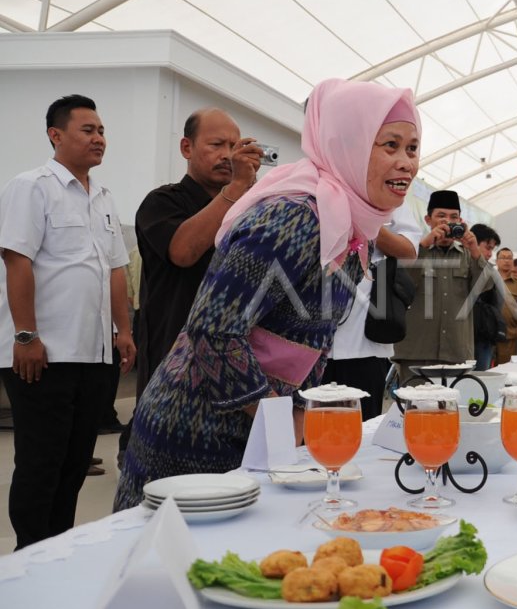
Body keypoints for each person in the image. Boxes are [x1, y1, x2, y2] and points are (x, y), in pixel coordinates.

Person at [114, 79, 421, 510]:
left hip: (256, 436)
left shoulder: (348, 227)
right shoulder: (293, 217)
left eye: (412, 148)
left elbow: (310, 342)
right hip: (195, 433)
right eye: (390, 145)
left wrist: (296, 422)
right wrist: (282, 423)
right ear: (347, 144)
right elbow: (213, 332)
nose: (406, 162)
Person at [0, 94, 136, 548]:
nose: (99, 138)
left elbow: (115, 270)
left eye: (101, 131)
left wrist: (124, 332)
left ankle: (57, 546)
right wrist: (26, 336)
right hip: (45, 353)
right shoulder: (31, 186)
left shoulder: (103, 196)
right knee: (41, 460)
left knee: (76, 461)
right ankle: (28, 553)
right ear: (55, 136)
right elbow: (17, 262)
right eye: (88, 130)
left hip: (94, 355)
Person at [122, 108, 263, 468]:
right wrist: (235, 189)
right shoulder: (162, 202)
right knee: (168, 462)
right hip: (175, 353)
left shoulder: (249, 207)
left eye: (235, 146)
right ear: (186, 147)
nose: (227, 155)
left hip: (236, 356)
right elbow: (183, 251)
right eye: (216, 145)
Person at [323, 207, 420, 419]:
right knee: (311, 430)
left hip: (366, 342)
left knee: (361, 426)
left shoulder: (389, 198)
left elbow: (409, 252)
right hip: (308, 342)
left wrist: (364, 219)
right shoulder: (313, 186)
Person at [391, 190, 491, 383]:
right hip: (417, 352)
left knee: (451, 409)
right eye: (441, 216)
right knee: (415, 409)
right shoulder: (413, 249)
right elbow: (399, 282)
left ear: (461, 221)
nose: (447, 221)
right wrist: (424, 246)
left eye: (454, 217)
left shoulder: (468, 254)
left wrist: (475, 250)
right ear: (428, 220)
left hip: (456, 353)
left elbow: (486, 286)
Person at [468, 223, 505, 370]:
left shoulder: (489, 271)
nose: (490, 254)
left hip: (482, 335)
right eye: (488, 248)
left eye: (492, 249)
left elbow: (500, 299)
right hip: (463, 337)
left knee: (480, 379)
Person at [493, 247, 517, 365]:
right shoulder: (488, 281)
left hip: (509, 336)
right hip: (489, 334)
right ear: (496, 262)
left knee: (506, 371)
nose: (506, 261)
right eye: (503, 258)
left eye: (509, 258)